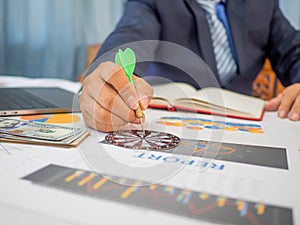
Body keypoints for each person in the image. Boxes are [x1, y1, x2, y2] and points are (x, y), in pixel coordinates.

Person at [80, 0, 300, 132]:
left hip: (246, 124)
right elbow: (129, 35)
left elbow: (293, 50)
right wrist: (107, 75)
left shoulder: (264, 4)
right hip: (172, 122)